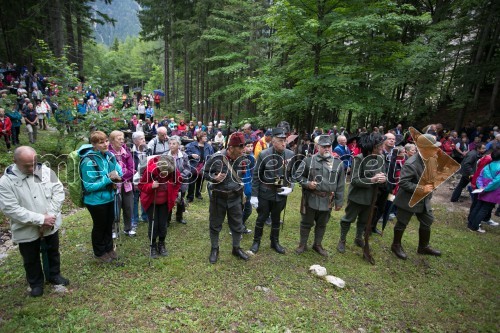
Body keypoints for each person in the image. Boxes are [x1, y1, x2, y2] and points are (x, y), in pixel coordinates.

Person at [0, 146, 69, 297]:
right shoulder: (6, 182)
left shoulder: (43, 171)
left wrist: (50, 215)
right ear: (15, 162)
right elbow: (10, 208)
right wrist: (40, 219)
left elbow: (58, 191)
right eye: (27, 166)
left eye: (34, 163)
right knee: (30, 257)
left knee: (53, 250)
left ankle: (54, 275)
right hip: (26, 228)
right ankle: (36, 283)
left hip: (50, 223)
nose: (32, 168)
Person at [391, 134, 443, 260]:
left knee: (427, 220)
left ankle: (423, 247)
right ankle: (396, 245)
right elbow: (403, 182)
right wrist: (422, 188)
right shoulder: (411, 163)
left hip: (423, 199)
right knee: (402, 223)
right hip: (408, 199)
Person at [203, 132, 250, 263]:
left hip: (235, 197)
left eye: (243, 147)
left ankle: (236, 248)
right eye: (240, 148)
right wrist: (214, 177)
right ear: (231, 148)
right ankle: (214, 249)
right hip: (219, 197)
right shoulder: (216, 157)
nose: (243, 150)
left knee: (237, 224)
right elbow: (204, 172)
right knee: (215, 224)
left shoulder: (242, 159)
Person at [294, 135, 345, 256]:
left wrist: (339, 202)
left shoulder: (338, 164)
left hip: (327, 200)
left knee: (322, 224)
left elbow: (340, 184)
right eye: (324, 147)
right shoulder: (308, 160)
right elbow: (298, 176)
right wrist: (307, 184)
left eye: (329, 146)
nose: (327, 149)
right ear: (318, 147)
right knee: (306, 223)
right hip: (311, 197)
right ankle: (302, 244)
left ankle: (317, 244)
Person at [336, 133, 386, 254]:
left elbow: (383, 173)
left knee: (364, 220)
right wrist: (372, 180)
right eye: (380, 146)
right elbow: (354, 180)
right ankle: (342, 240)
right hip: (357, 196)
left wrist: (383, 178)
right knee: (348, 219)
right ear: (373, 146)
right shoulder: (359, 158)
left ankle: (358, 238)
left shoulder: (381, 158)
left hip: (372, 196)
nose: (382, 148)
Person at [249, 127, 296, 255]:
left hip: (281, 192)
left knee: (276, 218)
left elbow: (293, 174)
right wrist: (254, 195)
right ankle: (256, 241)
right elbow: (256, 175)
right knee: (261, 218)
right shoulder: (264, 154)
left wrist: (290, 187)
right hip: (265, 192)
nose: (284, 143)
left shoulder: (290, 155)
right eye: (280, 141)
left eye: (285, 141)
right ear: (273, 141)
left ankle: (274, 242)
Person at [80, 131, 123, 263]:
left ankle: (109, 249)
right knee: (100, 225)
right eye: (101, 142)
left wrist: (114, 176)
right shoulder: (88, 161)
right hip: (95, 201)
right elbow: (89, 186)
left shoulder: (109, 156)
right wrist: (108, 178)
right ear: (93, 144)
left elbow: (119, 171)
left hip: (109, 196)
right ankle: (99, 252)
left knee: (109, 223)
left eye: (106, 141)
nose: (105, 144)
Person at [138, 154, 180, 258]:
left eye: (168, 173)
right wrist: (150, 186)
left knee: (163, 224)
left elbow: (177, 184)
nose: (165, 175)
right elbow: (141, 185)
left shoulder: (174, 171)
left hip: (165, 202)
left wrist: (173, 197)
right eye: (163, 172)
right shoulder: (150, 170)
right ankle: (152, 245)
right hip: (151, 202)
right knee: (153, 225)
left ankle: (161, 243)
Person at [108, 131, 136, 237]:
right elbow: (107, 169)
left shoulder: (126, 151)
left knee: (128, 207)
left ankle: (128, 228)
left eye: (122, 138)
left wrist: (122, 177)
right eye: (118, 139)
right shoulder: (108, 153)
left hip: (126, 184)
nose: (121, 141)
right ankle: (114, 230)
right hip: (113, 185)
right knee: (115, 208)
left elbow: (132, 168)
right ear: (111, 141)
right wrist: (115, 178)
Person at [467, 148, 500, 232]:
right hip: (492, 191)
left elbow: (480, 177)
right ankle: (474, 226)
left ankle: (470, 223)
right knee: (484, 209)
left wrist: (481, 187)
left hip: (482, 189)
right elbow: (496, 181)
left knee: (478, 206)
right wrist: (486, 188)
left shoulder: (488, 165)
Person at [166, 136, 191, 225]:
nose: (171, 145)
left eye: (174, 144)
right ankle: (167, 219)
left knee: (180, 200)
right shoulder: (165, 155)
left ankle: (179, 217)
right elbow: (162, 169)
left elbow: (187, 169)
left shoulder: (184, 155)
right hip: (169, 182)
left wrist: (179, 177)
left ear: (178, 145)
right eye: (169, 143)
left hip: (181, 182)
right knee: (169, 200)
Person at [185, 131, 214, 202]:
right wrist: (191, 156)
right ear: (200, 137)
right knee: (191, 182)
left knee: (200, 181)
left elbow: (212, 155)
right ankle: (190, 196)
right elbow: (185, 154)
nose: (206, 137)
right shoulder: (191, 145)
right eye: (204, 136)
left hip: (203, 166)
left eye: (206, 136)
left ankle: (198, 194)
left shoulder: (209, 146)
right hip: (193, 166)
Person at [131, 131, 149, 228]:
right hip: (134, 179)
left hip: (144, 178)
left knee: (144, 198)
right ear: (135, 141)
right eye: (141, 139)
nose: (144, 140)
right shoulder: (130, 152)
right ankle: (134, 219)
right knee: (134, 199)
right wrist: (134, 180)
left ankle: (145, 216)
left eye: (144, 138)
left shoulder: (147, 150)